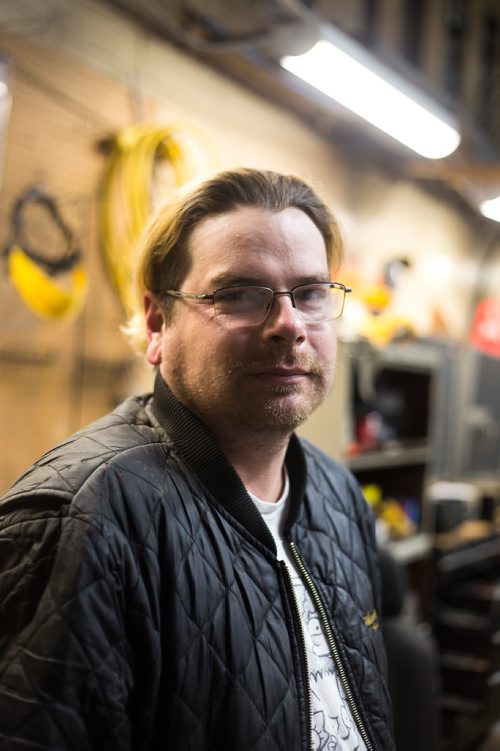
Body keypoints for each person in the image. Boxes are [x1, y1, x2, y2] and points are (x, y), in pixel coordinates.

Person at [0, 168, 395, 750]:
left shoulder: (337, 493)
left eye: (310, 293)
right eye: (238, 293)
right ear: (159, 323)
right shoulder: (81, 519)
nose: (288, 325)